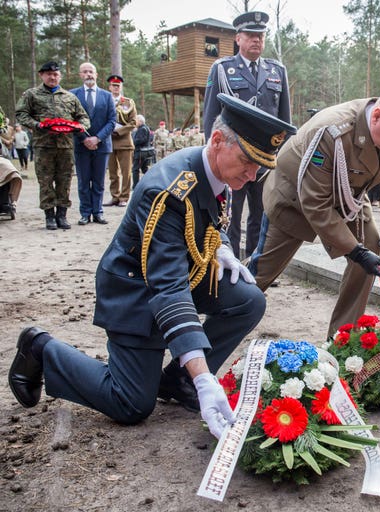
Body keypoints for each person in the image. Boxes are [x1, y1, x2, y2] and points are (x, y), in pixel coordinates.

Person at [8, 94, 296, 439]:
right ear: (217, 141)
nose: (253, 174)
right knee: (130, 404)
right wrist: (205, 378)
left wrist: (222, 248)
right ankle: (42, 349)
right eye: (248, 161)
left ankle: (178, 379)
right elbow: (168, 288)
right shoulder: (167, 191)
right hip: (137, 291)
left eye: (260, 165)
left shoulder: (221, 169)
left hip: (183, 273)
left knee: (249, 299)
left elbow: (214, 220)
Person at [248, 75, 380, 338]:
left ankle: (344, 335)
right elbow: (315, 203)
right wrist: (353, 250)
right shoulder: (332, 131)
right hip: (294, 199)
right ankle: (218, 314)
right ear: (377, 115)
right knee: (260, 275)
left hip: (349, 198)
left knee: (371, 250)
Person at [203, 10, 291, 259]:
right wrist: (212, 157)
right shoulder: (222, 69)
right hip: (233, 157)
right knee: (229, 213)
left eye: (261, 36)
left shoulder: (277, 71)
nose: (257, 40)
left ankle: (255, 264)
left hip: (264, 159)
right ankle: (230, 261)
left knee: (262, 215)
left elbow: (285, 120)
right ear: (238, 38)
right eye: (251, 35)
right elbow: (210, 116)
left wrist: (282, 158)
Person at [15, 61, 90, 230]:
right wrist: (37, 125)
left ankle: (62, 215)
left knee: (65, 180)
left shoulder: (70, 97)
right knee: (46, 181)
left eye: (55, 74)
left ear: (60, 76)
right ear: (41, 75)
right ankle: (49, 216)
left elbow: (83, 117)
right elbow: (21, 114)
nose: (52, 77)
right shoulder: (31, 95)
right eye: (48, 74)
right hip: (44, 146)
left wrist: (79, 126)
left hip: (65, 146)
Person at [70, 62, 117, 226]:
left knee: (98, 181)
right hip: (81, 145)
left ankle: (98, 212)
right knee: (83, 181)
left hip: (102, 146)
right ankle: (85, 213)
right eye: (85, 72)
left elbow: (112, 121)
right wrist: (84, 139)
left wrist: (97, 138)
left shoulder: (106, 95)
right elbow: (71, 120)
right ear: (80, 75)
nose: (88, 74)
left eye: (91, 72)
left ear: (96, 75)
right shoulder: (73, 95)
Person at [105, 75, 137, 207]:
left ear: (121, 87)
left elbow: (133, 122)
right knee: (113, 172)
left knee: (126, 172)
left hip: (124, 142)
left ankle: (124, 197)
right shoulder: (106, 100)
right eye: (113, 85)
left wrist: (119, 131)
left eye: (118, 86)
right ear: (109, 87)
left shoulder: (128, 102)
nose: (116, 88)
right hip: (109, 141)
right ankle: (115, 196)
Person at [132, 114, 153, 187]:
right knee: (144, 169)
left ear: (140, 121)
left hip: (140, 152)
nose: (135, 122)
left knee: (135, 169)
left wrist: (133, 142)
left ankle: (135, 185)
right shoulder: (146, 128)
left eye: (136, 121)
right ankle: (150, 181)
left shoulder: (142, 129)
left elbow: (141, 140)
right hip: (144, 152)